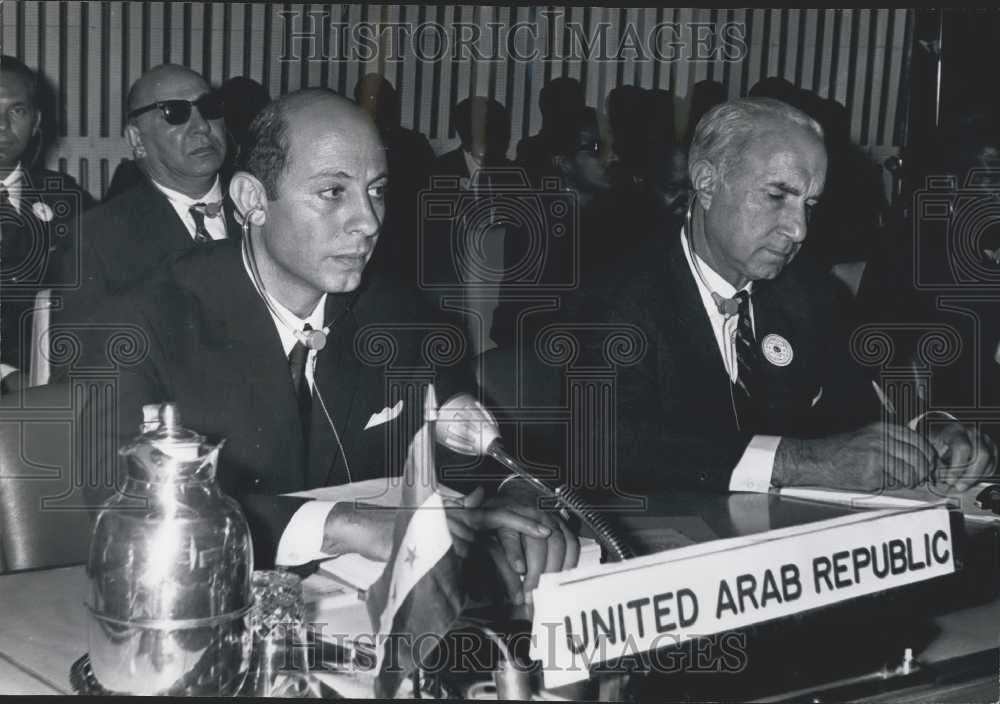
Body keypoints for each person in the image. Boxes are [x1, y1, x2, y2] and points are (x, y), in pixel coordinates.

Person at [78, 89, 577, 604]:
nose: (369, 221)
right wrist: (346, 524)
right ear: (252, 201)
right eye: (332, 193)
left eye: (377, 190)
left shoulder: (398, 315)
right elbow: (121, 503)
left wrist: (517, 497)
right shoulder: (139, 325)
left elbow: (470, 454)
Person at [566, 97, 993, 497]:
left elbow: (856, 404)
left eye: (810, 204)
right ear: (707, 182)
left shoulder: (806, 291)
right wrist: (797, 461)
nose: (799, 229)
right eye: (776, 196)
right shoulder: (613, 295)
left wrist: (928, 431)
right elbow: (611, 443)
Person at [53, 64, 239, 341]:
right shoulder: (95, 238)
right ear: (137, 139)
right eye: (176, 113)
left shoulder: (266, 212)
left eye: (209, 107)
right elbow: (84, 366)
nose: (201, 127)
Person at [0, 55, 93, 388]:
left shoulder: (66, 198)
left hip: (52, 387)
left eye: (17, 111)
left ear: (37, 121)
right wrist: (7, 375)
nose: (2, 125)